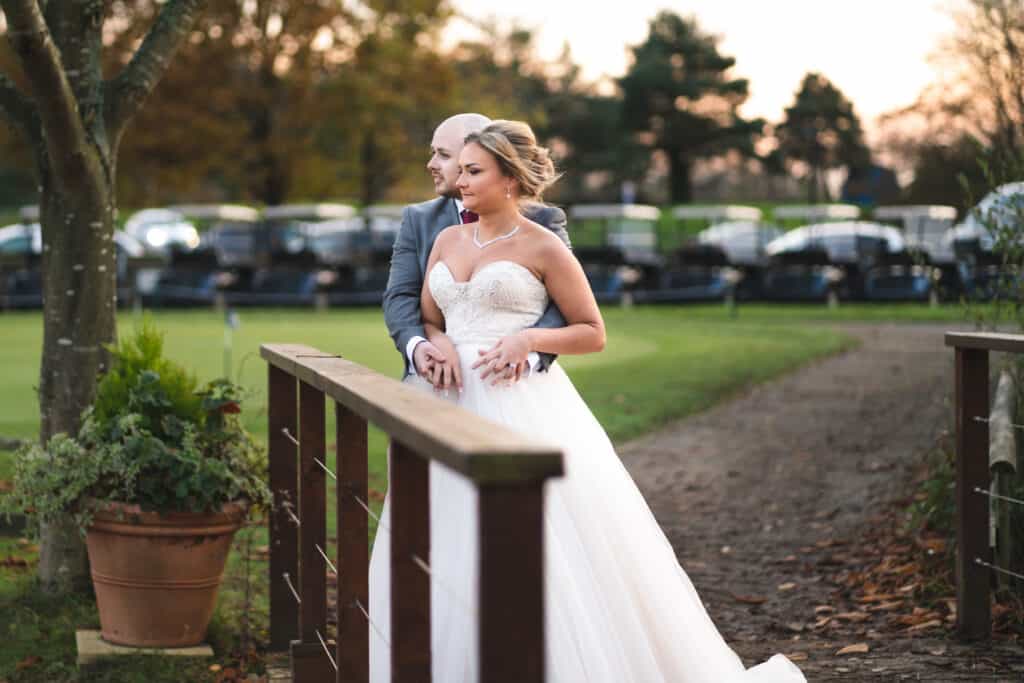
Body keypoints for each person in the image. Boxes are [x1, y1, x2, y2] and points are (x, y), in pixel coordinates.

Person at [369, 120, 807, 682]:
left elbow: (591, 329)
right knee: (442, 537)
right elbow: (426, 313)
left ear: (508, 179)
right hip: (444, 402)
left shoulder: (543, 243)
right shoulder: (446, 239)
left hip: (518, 401)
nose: (457, 179)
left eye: (472, 170)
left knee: (536, 541)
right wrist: (436, 344)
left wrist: (529, 340)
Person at [382, 112, 571, 387]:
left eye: (444, 155)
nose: (431, 164)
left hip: (512, 382)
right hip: (434, 382)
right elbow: (400, 295)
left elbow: (568, 304)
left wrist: (528, 354)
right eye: (433, 153)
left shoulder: (543, 222)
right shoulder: (419, 220)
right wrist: (420, 345)